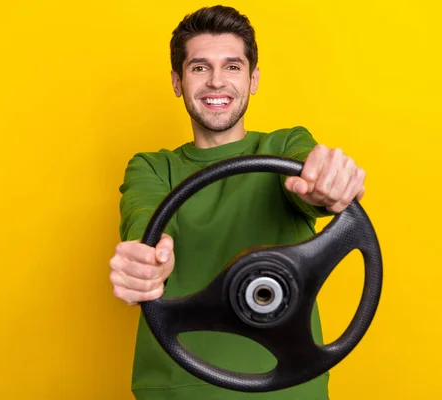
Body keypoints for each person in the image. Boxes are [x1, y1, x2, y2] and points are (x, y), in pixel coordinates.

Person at [109, 5, 366, 400]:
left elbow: (308, 173)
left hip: (289, 387)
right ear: (177, 81)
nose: (216, 82)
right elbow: (145, 219)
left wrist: (327, 184)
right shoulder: (153, 167)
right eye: (199, 68)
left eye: (232, 67)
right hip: (177, 390)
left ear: (253, 78)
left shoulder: (283, 146)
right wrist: (146, 260)